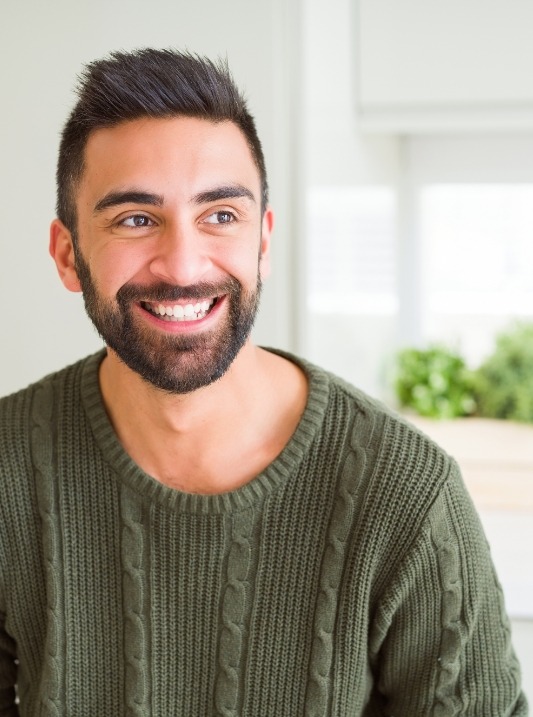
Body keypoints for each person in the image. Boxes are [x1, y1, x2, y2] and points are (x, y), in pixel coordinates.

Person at [0, 48, 527, 717]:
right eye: (135, 218)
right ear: (68, 253)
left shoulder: (408, 496)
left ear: (263, 242)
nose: (184, 263)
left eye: (220, 214)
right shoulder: (7, 469)